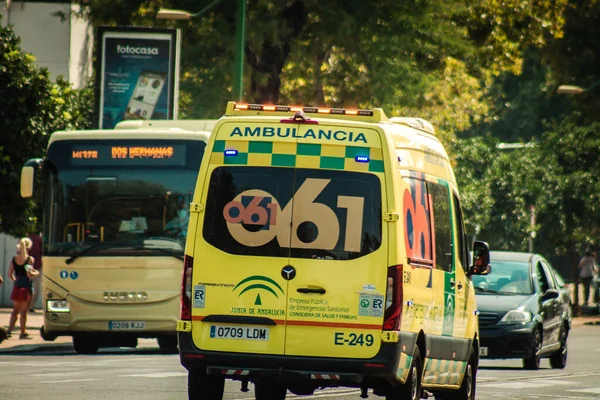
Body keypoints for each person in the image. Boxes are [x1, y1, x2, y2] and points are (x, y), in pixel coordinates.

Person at [6, 237, 39, 339]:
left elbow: (9, 274)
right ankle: (22, 332)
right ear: (29, 247)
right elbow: (30, 273)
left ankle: (9, 331)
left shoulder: (14, 259)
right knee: (23, 312)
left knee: (15, 310)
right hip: (26, 287)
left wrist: (15, 281)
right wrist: (36, 272)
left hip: (17, 287)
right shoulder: (29, 259)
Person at [27, 232, 43, 312]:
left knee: (24, 286)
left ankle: (24, 305)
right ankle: (31, 306)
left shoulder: (26, 239)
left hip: (27, 265)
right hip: (37, 266)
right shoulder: (40, 239)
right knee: (36, 288)